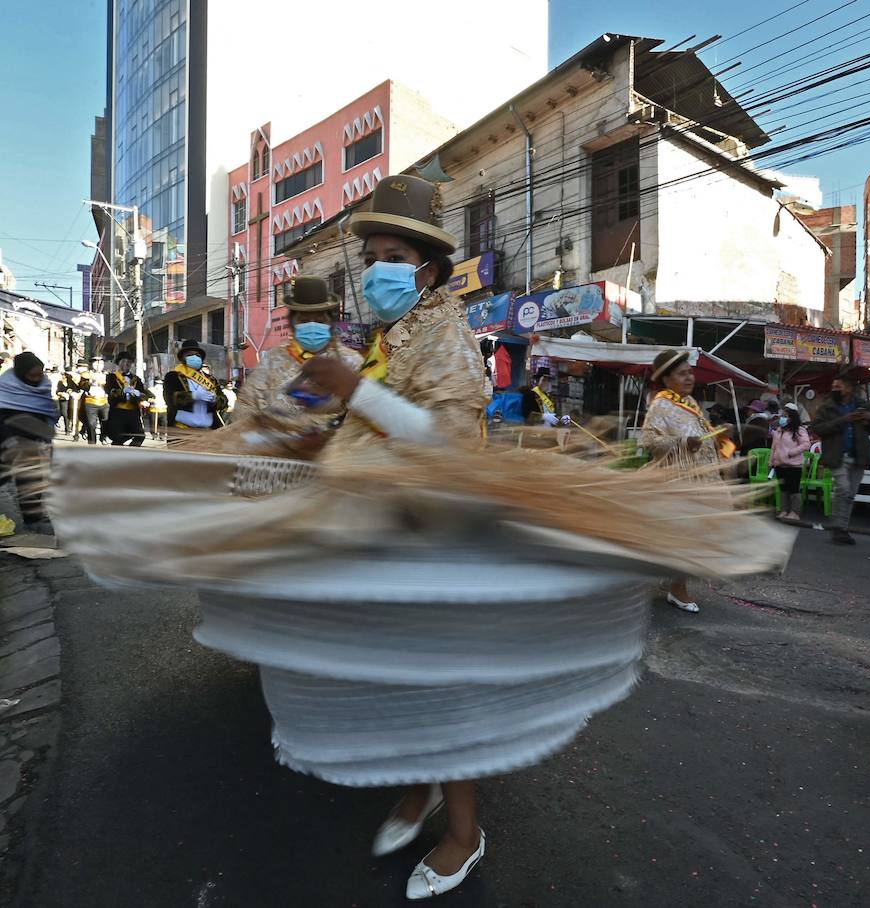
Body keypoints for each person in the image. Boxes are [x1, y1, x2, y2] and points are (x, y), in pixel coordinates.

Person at [46, 175, 793, 901]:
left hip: (426, 531)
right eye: (371, 255)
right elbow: (351, 426)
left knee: (439, 683)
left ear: (429, 270)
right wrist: (300, 438)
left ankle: (465, 832)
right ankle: (419, 784)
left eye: (394, 259)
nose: (378, 270)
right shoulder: (383, 340)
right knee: (384, 673)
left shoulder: (447, 337)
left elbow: (439, 442)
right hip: (366, 524)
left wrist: (353, 393)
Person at [641, 348, 730, 612]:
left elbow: (702, 437)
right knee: (683, 538)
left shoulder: (691, 404)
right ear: (667, 379)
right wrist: (681, 443)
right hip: (678, 484)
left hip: (703, 481)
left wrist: (719, 441)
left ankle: (672, 581)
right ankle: (677, 587)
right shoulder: (661, 406)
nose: (689, 378)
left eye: (690, 372)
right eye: (682, 374)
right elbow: (647, 441)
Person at [234, 275, 362, 454]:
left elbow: (362, 420)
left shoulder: (352, 362)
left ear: (330, 323)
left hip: (331, 459)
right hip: (273, 459)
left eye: (319, 320)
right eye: (304, 320)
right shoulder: (272, 360)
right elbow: (245, 409)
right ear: (292, 324)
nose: (312, 326)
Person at [812, 374, 870, 545]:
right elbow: (818, 429)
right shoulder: (826, 408)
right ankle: (837, 527)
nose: (835, 389)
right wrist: (844, 420)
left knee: (850, 494)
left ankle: (842, 529)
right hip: (837, 455)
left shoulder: (861, 405)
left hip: (858, 456)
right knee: (843, 489)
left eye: (839, 387)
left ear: (849, 389)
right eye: (834, 387)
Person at [0, 352, 59, 533]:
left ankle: (34, 520)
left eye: (40, 374)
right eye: (32, 375)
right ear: (20, 373)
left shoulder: (43, 386)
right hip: (6, 440)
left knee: (31, 480)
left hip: (31, 441)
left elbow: (44, 415)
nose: (37, 378)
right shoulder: (5, 388)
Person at [162, 342, 228, 431]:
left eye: (197, 355)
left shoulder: (211, 379)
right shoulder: (173, 376)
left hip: (208, 430)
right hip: (181, 430)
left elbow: (224, 401)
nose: (194, 357)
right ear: (182, 358)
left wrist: (215, 400)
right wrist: (193, 396)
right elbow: (169, 399)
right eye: (189, 355)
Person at [769, 402, 811, 521]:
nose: (783, 418)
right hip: (779, 465)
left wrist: (791, 452)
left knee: (793, 489)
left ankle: (795, 512)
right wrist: (771, 460)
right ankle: (784, 510)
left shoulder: (799, 430)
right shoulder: (778, 430)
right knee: (783, 489)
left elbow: (806, 444)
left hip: (794, 465)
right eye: (783, 415)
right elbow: (774, 447)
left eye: (786, 416)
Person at [103, 351, 148, 447]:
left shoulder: (136, 379)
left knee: (140, 435)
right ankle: (117, 453)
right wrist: (122, 392)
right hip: (118, 411)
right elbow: (109, 391)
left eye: (129, 362)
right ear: (118, 363)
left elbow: (143, 393)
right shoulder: (111, 377)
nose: (126, 364)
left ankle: (131, 453)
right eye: (123, 361)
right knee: (117, 436)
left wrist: (139, 395)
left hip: (133, 412)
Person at [77, 356, 109, 444]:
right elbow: (81, 385)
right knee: (91, 424)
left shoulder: (107, 374)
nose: (98, 366)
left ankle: (103, 436)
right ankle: (92, 444)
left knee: (105, 421)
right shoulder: (86, 374)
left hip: (104, 401)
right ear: (92, 365)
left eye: (101, 364)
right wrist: (90, 383)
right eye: (96, 363)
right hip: (90, 402)